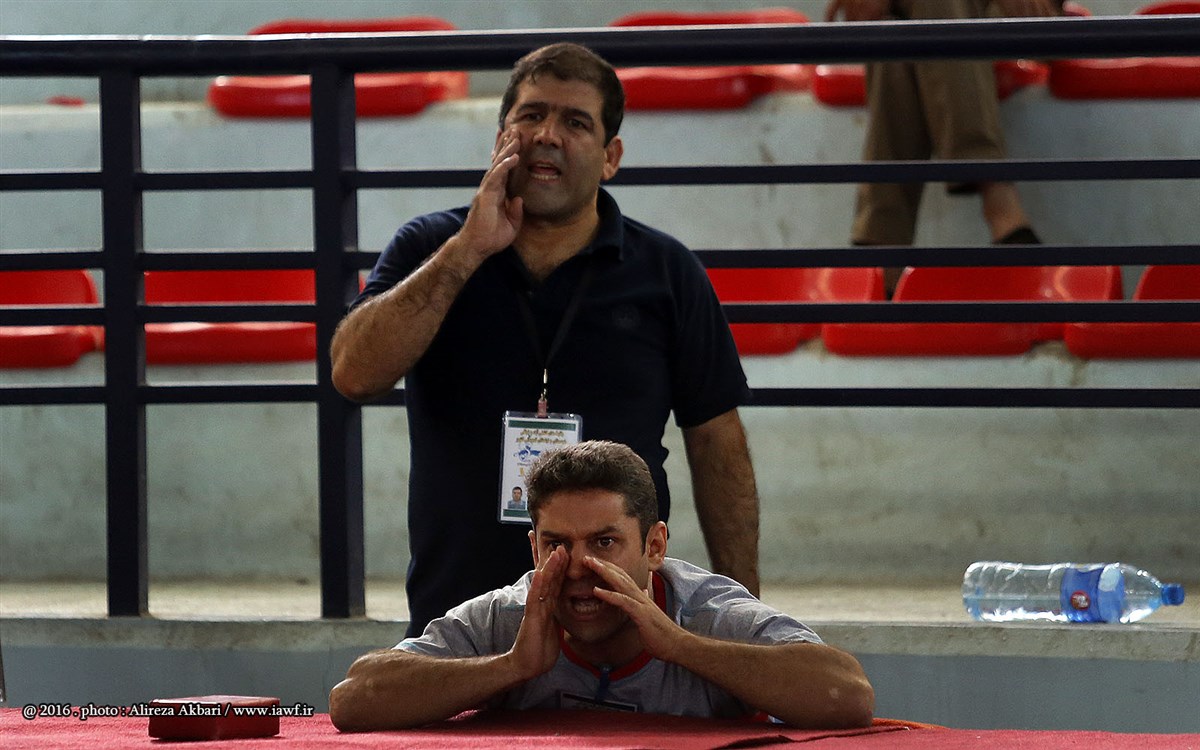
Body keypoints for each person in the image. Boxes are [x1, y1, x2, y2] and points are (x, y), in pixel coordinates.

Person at [331, 43, 760, 636]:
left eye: (575, 123)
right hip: (461, 618)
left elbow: (717, 443)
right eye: (530, 116)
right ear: (500, 139)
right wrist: (468, 250)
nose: (547, 136)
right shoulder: (430, 248)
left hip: (619, 626)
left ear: (611, 158)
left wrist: (743, 616)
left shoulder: (666, 271)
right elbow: (353, 374)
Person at [329, 441, 874, 732]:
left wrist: (681, 647)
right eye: (557, 544)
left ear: (654, 547)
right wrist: (510, 668)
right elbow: (353, 699)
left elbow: (848, 695)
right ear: (535, 549)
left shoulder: (705, 611)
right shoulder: (513, 614)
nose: (578, 567)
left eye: (605, 542)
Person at [825, 0, 1062, 296]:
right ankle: (1002, 207)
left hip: (1023, 19)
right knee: (897, 35)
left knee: (904, 28)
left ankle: (880, 249)